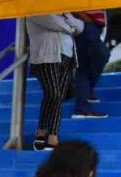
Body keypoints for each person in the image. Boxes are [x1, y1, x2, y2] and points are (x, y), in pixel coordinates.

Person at [26, 14, 84, 150]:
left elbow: (80, 26)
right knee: (54, 94)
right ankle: (41, 130)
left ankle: (53, 135)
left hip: (67, 56)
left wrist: (67, 19)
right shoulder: (37, 9)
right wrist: (70, 26)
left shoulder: (65, 13)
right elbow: (53, 22)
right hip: (45, 56)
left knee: (58, 96)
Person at [72, 10, 110, 119]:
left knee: (86, 62)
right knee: (101, 55)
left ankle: (85, 95)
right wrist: (81, 15)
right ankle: (82, 107)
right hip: (86, 22)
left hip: (95, 23)